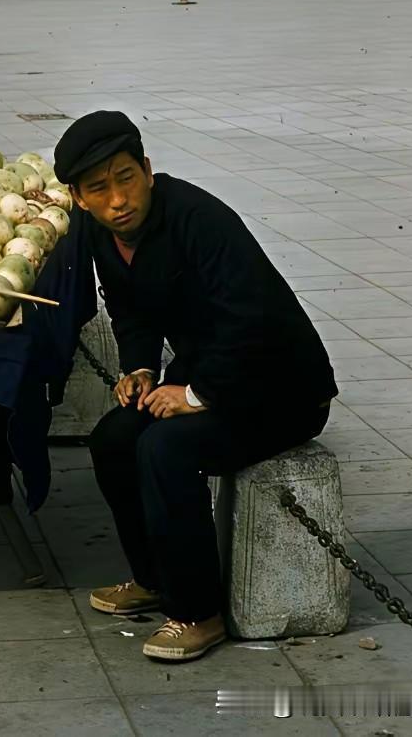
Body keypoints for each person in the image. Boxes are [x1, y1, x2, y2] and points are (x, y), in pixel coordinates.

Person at [51, 110, 337, 663]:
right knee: (114, 438)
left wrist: (194, 394)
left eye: (126, 177)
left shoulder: (199, 219)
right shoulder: (98, 231)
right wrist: (140, 369)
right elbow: (127, 306)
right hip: (209, 369)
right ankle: (153, 578)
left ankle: (197, 612)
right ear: (80, 198)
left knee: (165, 448)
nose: (118, 199)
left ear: (148, 170)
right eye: (99, 188)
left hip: (280, 388)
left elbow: (251, 318)